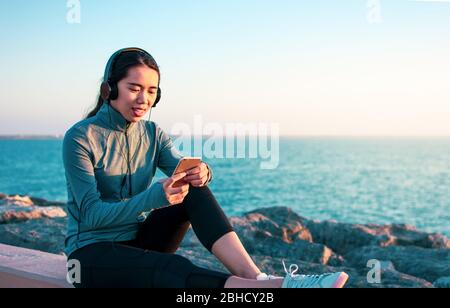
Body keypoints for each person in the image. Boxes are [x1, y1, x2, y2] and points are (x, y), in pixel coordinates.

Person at [63, 47, 349, 288]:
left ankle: (255, 277)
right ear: (109, 88)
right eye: (134, 88)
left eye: (151, 91)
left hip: (137, 242)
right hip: (90, 255)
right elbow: (90, 216)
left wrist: (203, 172)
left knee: (194, 191)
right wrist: (152, 197)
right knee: (170, 268)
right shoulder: (80, 137)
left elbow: (184, 168)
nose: (143, 99)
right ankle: (269, 290)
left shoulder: (152, 133)